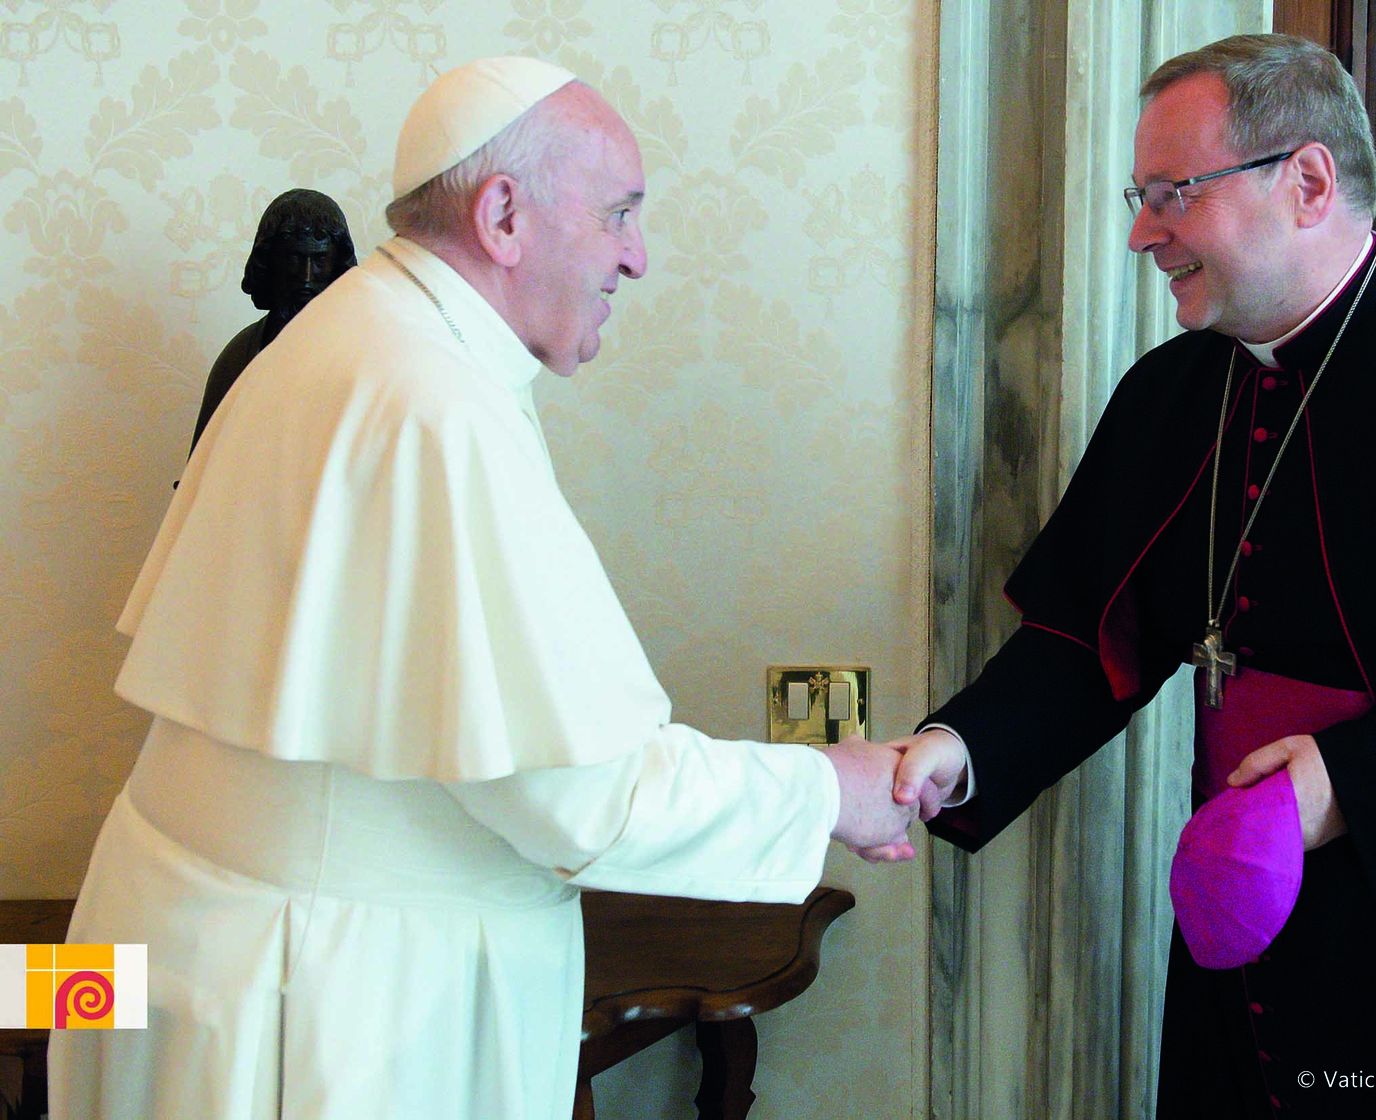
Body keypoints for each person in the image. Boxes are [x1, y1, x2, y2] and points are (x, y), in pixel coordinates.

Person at [51, 57, 915, 1120]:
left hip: (190, 945)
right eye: (618, 214)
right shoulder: (431, 401)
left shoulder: (355, 331)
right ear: (504, 214)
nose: (637, 257)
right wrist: (829, 787)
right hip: (318, 1006)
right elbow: (582, 797)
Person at [886, 33, 1376, 1120]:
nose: (1139, 232)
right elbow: (1088, 638)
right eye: (1140, 194)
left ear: (1307, 182)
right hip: (1245, 893)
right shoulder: (1173, 394)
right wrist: (951, 751)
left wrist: (1340, 782)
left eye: (1172, 192)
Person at [189, 188, 357, 452]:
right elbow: (201, 471)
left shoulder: (363, 356)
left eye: (319, 260)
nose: (306, 278)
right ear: (270, 262)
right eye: (294, 259)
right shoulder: (240, 357)